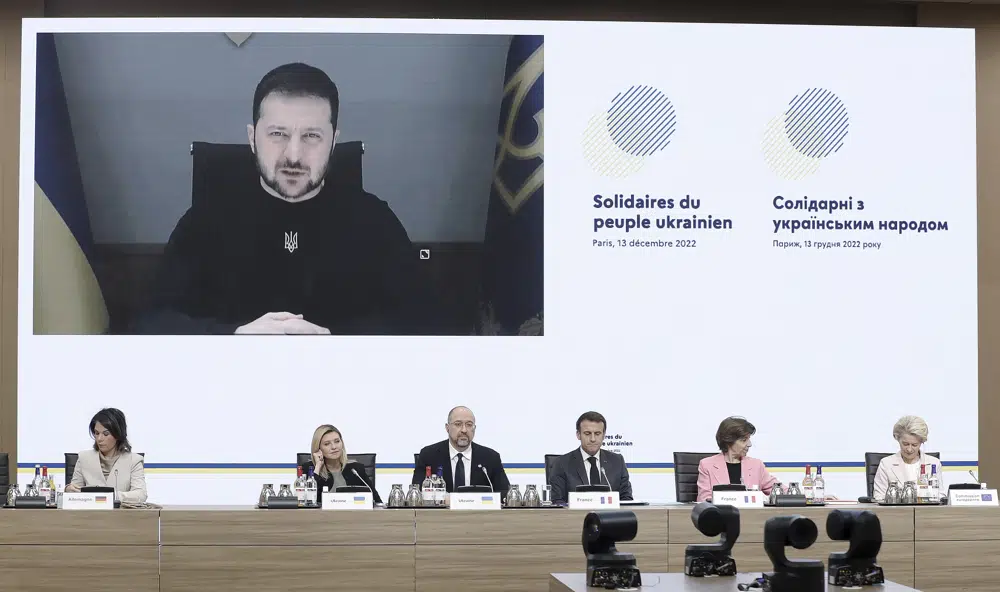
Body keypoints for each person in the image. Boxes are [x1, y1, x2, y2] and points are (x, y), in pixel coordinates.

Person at [133, 62, 433, 336]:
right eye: (277, 134)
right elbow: (152, 321)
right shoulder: (205, 219)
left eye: (312, 136)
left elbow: (424, 320)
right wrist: (234, 336)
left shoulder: (374, 220)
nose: (293, 155)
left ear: (333, 142)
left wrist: (333, 339)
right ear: (252, 138)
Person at [412, 406, 510, 498]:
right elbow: (417, 491)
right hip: (441, 514)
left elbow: (504, 493)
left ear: (474, 428)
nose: (464, 430)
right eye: (458, 424)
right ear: (447, 428)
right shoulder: (429, 455)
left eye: (469, 425)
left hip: (478, 514)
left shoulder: (490, 457)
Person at [64, 408, 147, 503]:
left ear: (118, 434)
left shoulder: (134, 461)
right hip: (89, 515)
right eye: (96, 433)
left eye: (106, 434)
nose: (99, 438)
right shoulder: (84, 458)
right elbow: (74, 493)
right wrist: (68, 490)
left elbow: (141, 494)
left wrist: (110, 496)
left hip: (121, 516)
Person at [549, 411, 633, 503]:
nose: (593, 439)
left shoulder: (617, 461)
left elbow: (626, 499)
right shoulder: (561, 463)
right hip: (574, 516)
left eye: (597, 434)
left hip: (609, 516)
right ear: (578, 435)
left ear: (604, 435)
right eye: (587, 433)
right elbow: (557, 501)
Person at [696, 416, 776, 502]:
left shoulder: (756, 465)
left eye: (749, 439)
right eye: (744, 440)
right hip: (720, 514)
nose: (749, 444)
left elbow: (777, 489)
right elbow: (703, 499)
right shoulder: (707, 465)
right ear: (729, 441)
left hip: (751, 514)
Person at [303, 424, 381, 504]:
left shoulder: (355, 470)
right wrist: (318, 467)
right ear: (318, 449)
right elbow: (307, 502)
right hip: (320, 516)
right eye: (327, 444)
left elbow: (377, 502)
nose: (334, 447)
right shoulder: (309, 469)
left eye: (337, 441)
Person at [873, 415, 944, 502]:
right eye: (905, 444)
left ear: (921, 442)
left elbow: (940, 495)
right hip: (896, 513)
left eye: (914, 445)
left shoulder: (934, 463)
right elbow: (879, 497)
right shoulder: (886, 464)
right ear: (897, 439)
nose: (909, 449)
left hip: (926, 514)